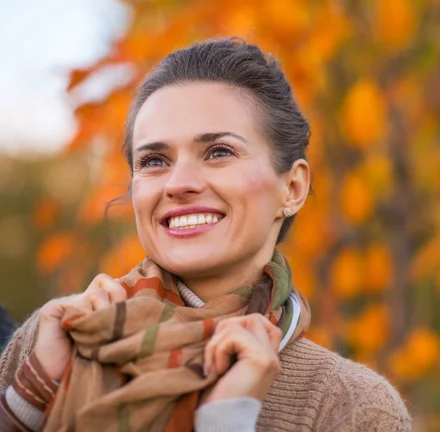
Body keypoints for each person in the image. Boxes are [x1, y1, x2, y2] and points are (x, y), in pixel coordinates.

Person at [0, 38, 411, 431]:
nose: (178, 183)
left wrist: (227, 420)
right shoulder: (54, 339)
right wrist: (29, 402)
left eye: (219, 153)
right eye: (155, 160)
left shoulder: (351, 405)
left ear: (292, 188)